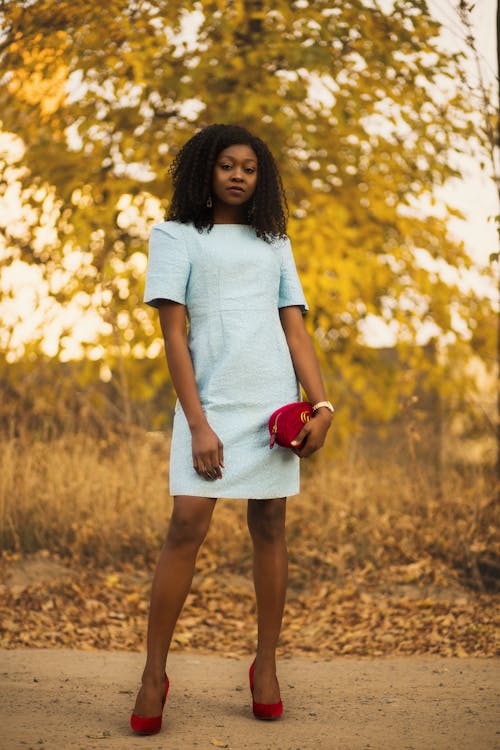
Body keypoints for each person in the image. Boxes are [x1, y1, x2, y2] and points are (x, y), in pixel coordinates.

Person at [130, 124, 334, 735]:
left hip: (272, 405)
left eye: (249, 167)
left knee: (270, 523)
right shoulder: (173, 236)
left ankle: (266, 666)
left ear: (260, 177)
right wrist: (198, 424)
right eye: (226, 165)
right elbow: (173, 334)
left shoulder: (275, 242)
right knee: (186, 525)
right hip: (209, 406)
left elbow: (295, 329)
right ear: (204, 171)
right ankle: (152, 672)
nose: (239, 175)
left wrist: (321, 408)